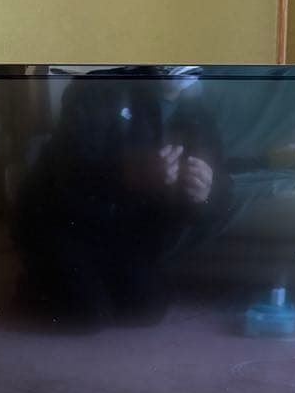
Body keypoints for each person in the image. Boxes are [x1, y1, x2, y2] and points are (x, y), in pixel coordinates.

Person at [14, 66, 230, 326]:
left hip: (125, 232)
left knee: (146, 309)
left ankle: (86, 281)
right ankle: (36, 280)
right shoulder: (96, 89)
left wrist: (204, 194)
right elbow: (66, 174)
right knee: (87, 315)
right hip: (62, 224)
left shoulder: (197, 112)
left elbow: (221, 190)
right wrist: (131, 176)